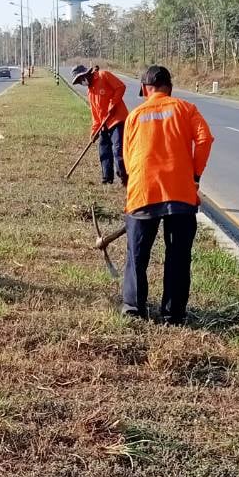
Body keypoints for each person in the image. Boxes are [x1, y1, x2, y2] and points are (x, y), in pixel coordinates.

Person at [121, 65, 214, 325]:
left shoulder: (135, 115)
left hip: (143, 192)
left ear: (144, 89)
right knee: (178, 256)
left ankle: (134, 309)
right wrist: (195, 175)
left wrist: (135, 181)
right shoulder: (186, 109)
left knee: (137, 255)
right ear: (169, 88)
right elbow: (204, 139)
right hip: (180, 194)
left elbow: (127, 157)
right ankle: (173, 314)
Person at [71, 64, 129, 185]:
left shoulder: (104, 75)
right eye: (79, 81)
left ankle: (125, 177)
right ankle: (107, 178)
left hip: (117, 120)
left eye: (81, 79)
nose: (82, 82)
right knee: (104, 150)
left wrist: (113, 103)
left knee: (118, 149)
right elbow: (95, 115)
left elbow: (121, 87)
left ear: (86, 74)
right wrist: (94, 131)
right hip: (103, 124)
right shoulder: (90, 92)